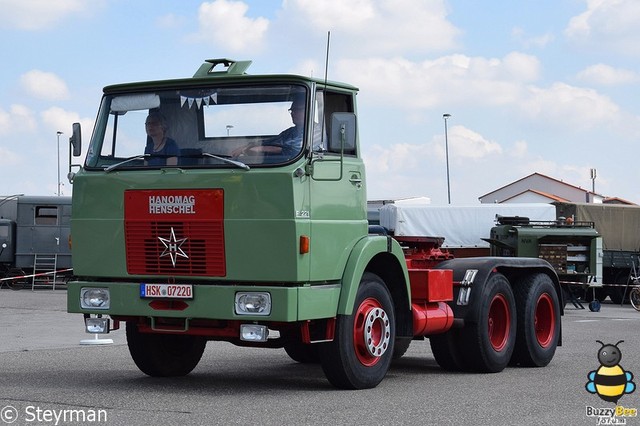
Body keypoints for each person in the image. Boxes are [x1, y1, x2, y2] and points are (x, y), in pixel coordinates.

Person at [233, 97, 305, 159]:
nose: (292, 113)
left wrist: (261, 149)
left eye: (297, 109)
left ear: (307, 110)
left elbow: (296, 150)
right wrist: (246, 147)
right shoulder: (289, 132)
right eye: (292, 110)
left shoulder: (314, 131)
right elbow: (270, 142)